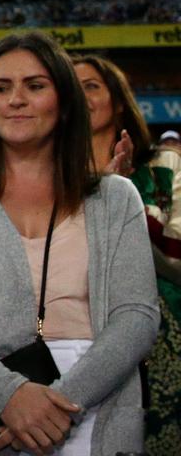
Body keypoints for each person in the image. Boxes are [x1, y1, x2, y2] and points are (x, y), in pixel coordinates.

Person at [0, 32, 158, 456]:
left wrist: (60, 405)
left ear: (62, 101)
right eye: (1, 88)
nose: (16, 100)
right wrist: (9, 395)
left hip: (100, 407)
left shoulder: (115, 197)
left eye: (35, 86)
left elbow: (137, 315)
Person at [73, 54, 181, 454]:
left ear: (118, 101)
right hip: (76, 341)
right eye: (73, 87)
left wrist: (122, 200)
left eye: (91, 86)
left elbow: (177, 256)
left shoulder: (162, 166)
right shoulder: (53, 179)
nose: (80, 96)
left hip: (162, 344)